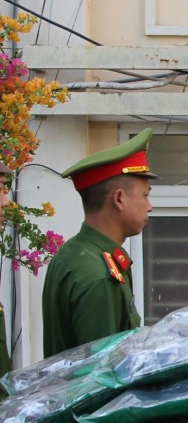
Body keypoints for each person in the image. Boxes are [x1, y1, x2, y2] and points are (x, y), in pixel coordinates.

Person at [42, 129, 159, 357]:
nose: (149, 206)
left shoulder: (74, 253)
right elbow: (103, 374)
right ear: (118, 199)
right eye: (145, 195)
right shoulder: (100, 275)